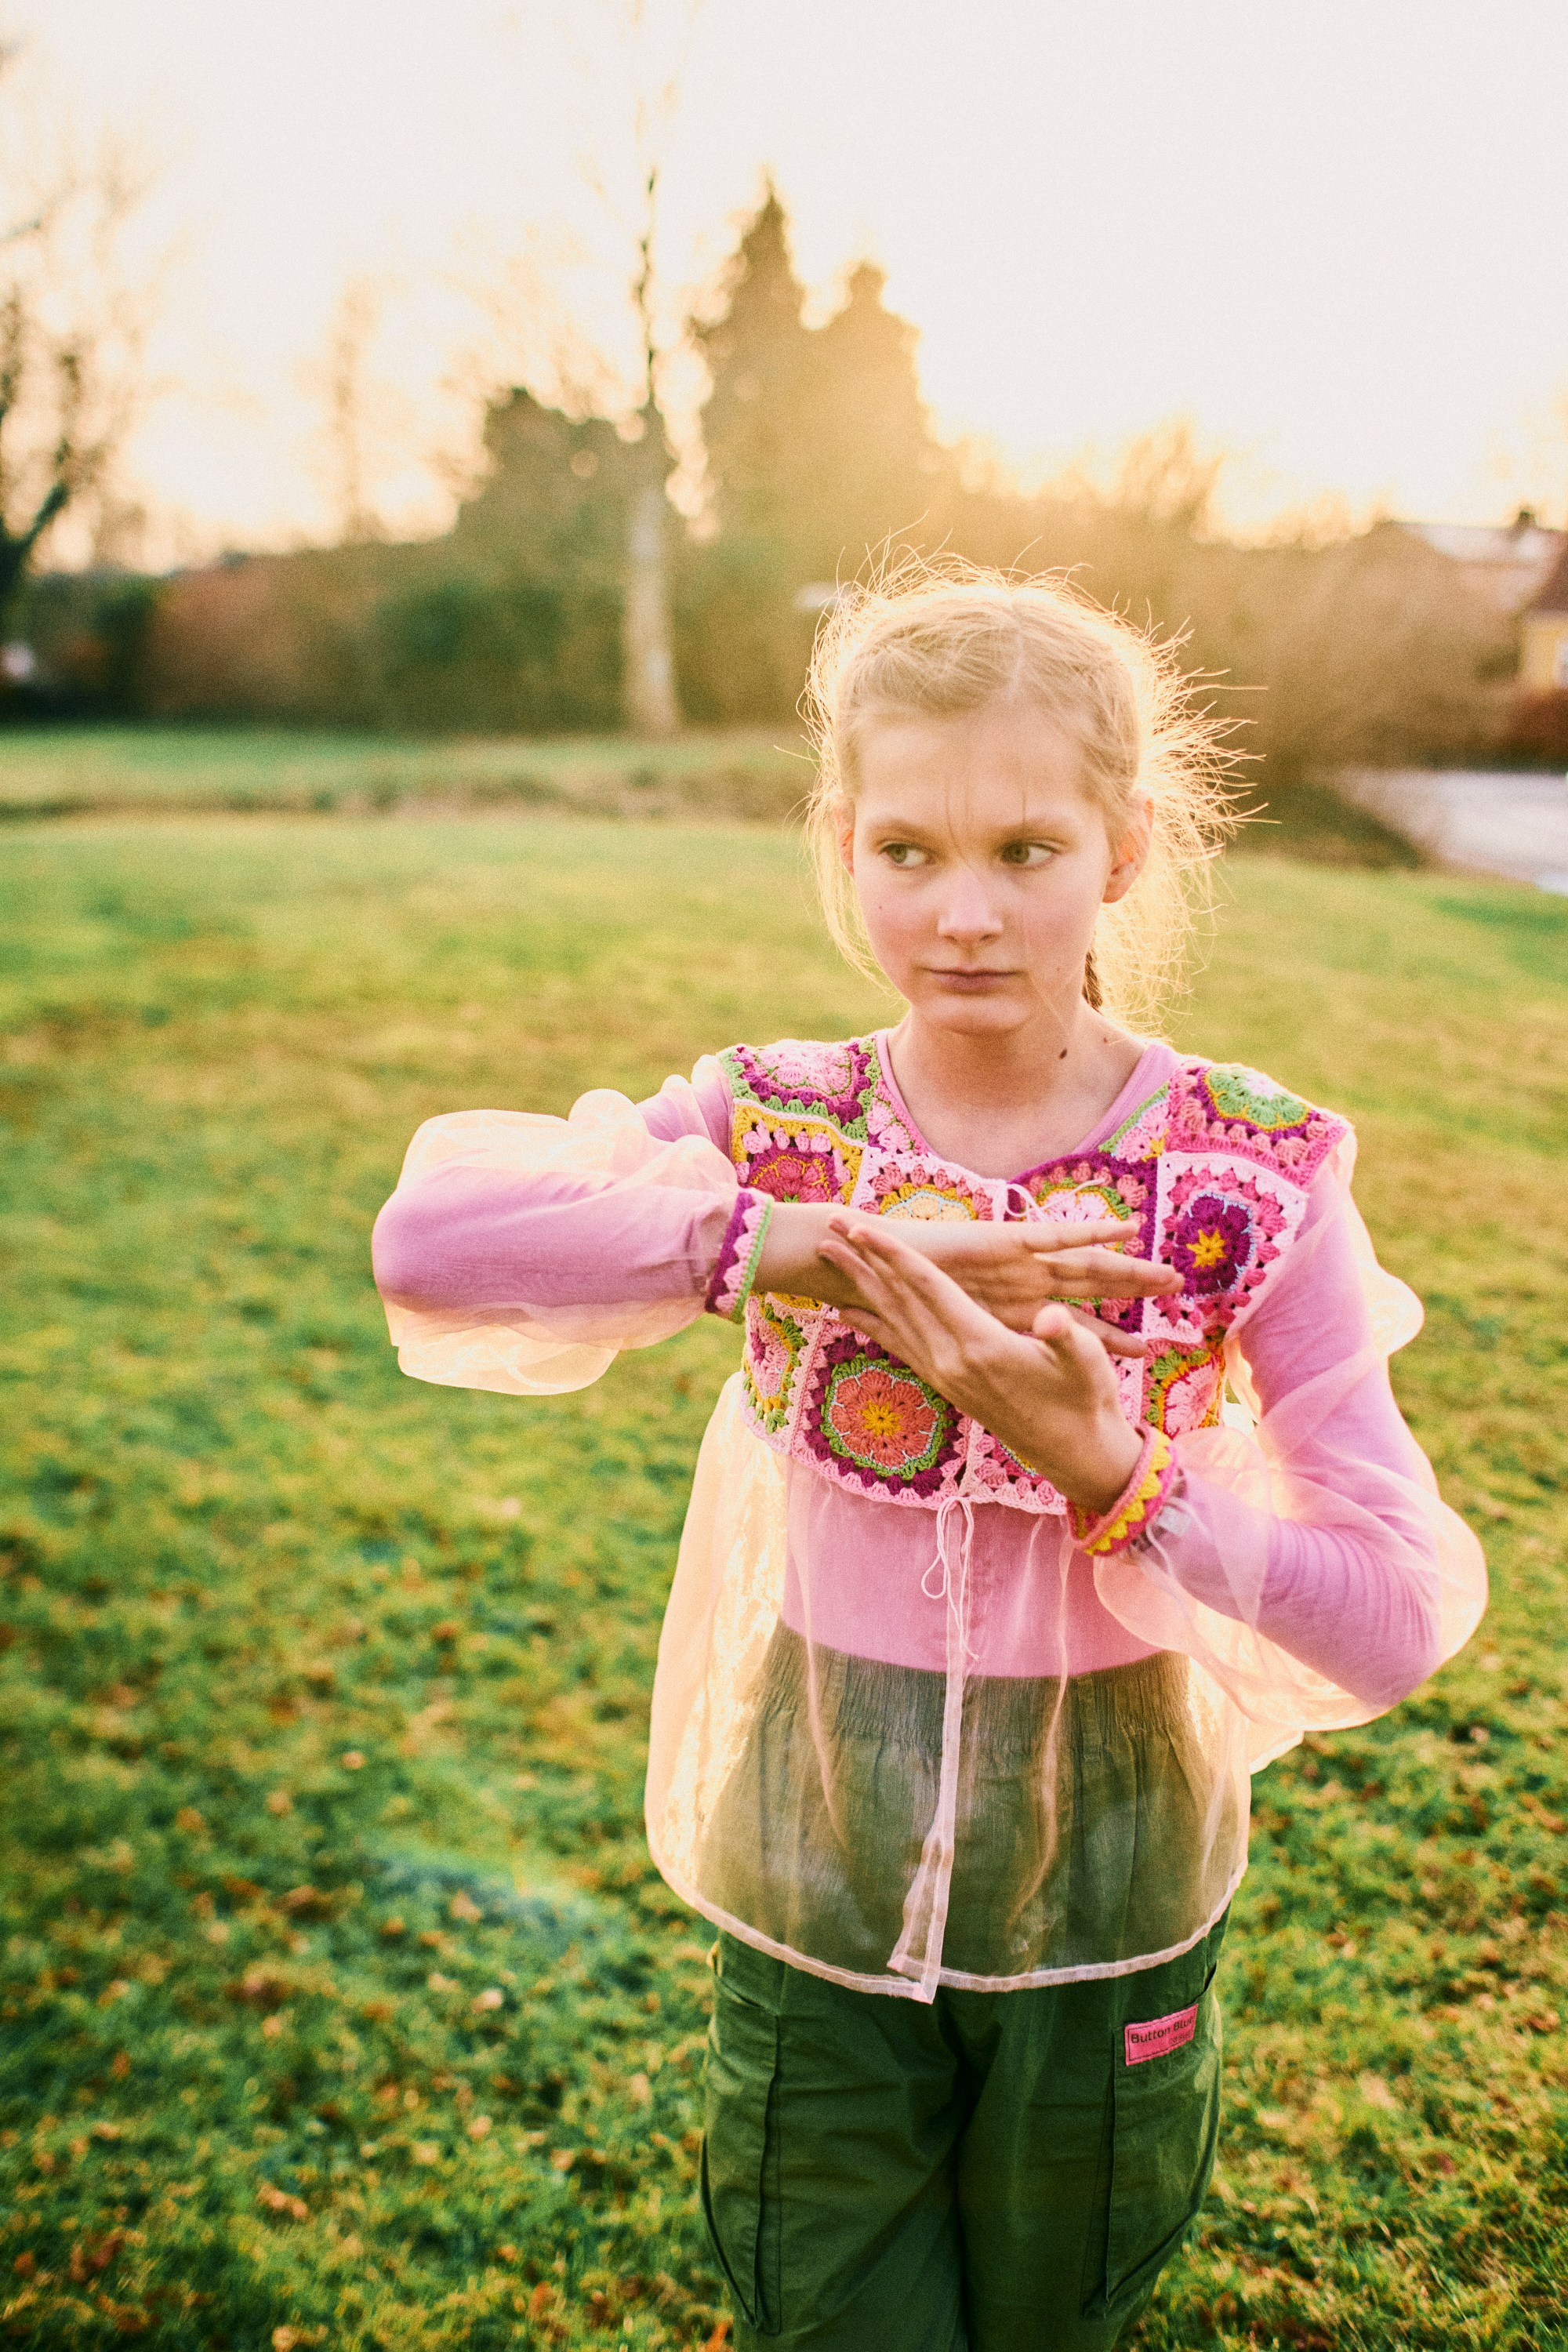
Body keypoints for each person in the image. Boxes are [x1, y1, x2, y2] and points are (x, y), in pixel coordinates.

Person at [371, 568, 1486, 2352]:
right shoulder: (778, 1126)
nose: (961, 915)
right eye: (905, 852)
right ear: (839, 840)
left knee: (1053, 2312)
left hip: (1107, 1870)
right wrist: (804, 1248)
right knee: (830, 2313)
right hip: (817, 1853)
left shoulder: (1246, 1174)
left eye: (1025, 852)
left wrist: (1121, 1476)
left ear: (1123, 847)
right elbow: (431, 1243)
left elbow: (1397, 1614)